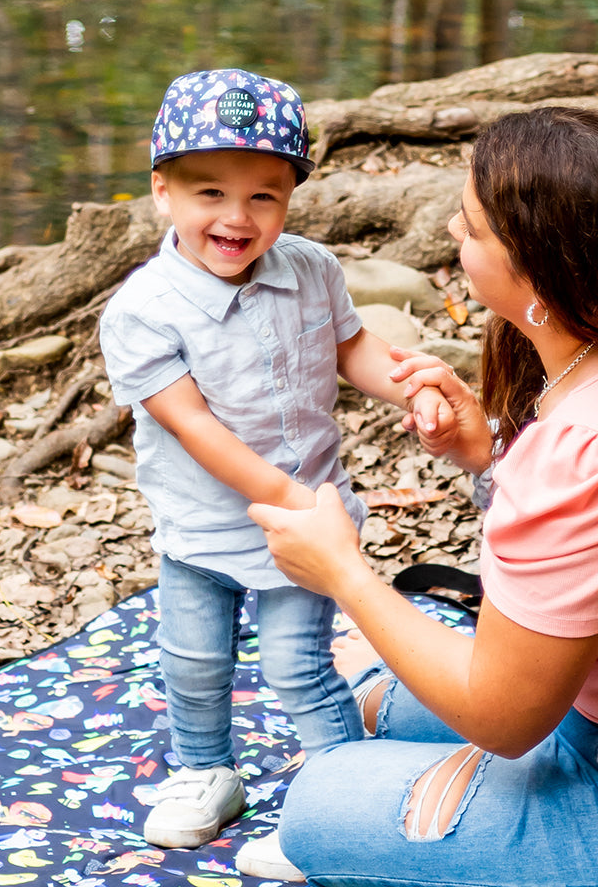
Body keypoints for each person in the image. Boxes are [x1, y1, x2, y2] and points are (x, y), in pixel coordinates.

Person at [237, 105, 598, 884]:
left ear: (538, 267)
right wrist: (489, 453)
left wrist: (343, 573)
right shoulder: (574, 395)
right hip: (576, 699)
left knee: (318, 805)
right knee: (381, 700)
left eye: (469, 227)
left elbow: (503, 720)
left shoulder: (577, 448)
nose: (446, 230)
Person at [98, 68, 453, 851]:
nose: (237, 216)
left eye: (264, 194)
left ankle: (343, 788)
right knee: (193, 663)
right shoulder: (142, 310)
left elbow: (351, 347)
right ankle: (205, 771)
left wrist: (412, 387)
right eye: (208, 193)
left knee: (299, 668)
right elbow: (193, 426)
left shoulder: (312, 269)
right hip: (204, 529)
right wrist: (285, 494)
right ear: (162, 192)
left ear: (290, 198)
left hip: (307, 529)